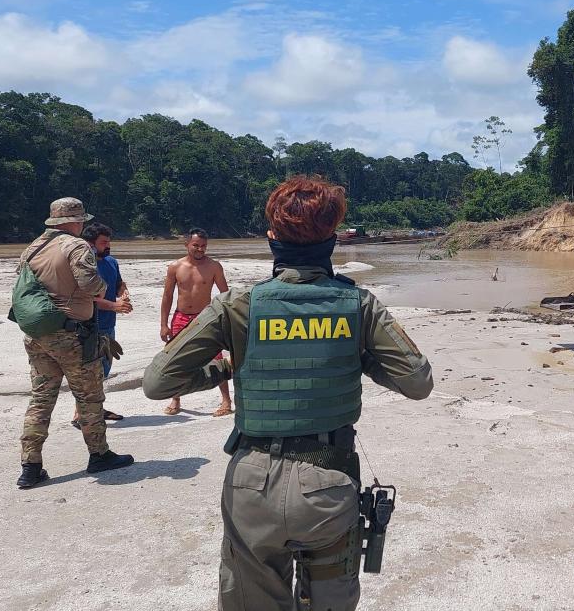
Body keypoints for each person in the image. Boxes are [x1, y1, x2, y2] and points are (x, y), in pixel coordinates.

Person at [142, 176, 434, 611]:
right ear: (332, 239)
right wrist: (361, 359)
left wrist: (226, 366)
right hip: (329, 482)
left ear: (272, 238)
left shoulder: (238, 305)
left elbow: (158, 383)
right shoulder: (358, 304)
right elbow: (417, 382)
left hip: (251, 483)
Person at [15, 198, 134, 489]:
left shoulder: (33, 248)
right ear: (73, 221)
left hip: (38, 334)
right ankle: (99, 455)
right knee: (89, 397)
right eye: (81, 220)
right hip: (72, 336)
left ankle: (30, 466)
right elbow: (91, 286)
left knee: (41, 400)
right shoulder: (76, 246)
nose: (82, 225)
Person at [159, 228, 233, 417]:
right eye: (196, 246)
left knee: (216, 358)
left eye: (203, 246)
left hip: (205, 317)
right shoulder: (175, 267)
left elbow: (225, 295)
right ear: (187, 245)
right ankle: (175, 399)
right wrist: (163, 324)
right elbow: (167, 296)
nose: (200, 249)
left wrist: (228, 319)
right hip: (181, 316)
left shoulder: (214, 266)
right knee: (175, 358)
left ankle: (226, 400)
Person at [69, 223, 132, 429]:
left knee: (103, 370)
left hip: (108, 326)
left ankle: (96, 409)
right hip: (88, 326)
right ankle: (80, 415)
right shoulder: (84, 266)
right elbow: (87, 297)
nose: (108, 246)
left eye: (109, 241)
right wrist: (114, 305)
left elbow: (119, 284)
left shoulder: (112, 262)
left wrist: (123, 293)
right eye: (104, 242)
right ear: (91, 244)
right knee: (88, 372)